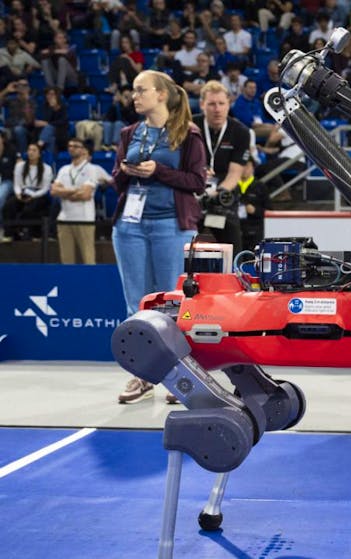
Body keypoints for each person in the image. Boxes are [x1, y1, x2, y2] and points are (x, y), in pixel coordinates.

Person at [112, 70, 207, 404]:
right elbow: (115, 180)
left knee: (172, 304)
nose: (134, 96)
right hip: (130, 226)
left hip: (172, 226)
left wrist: (159, 172)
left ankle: (177, 375)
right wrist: (125, 173)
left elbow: (197, 182)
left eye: (141, 90)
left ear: (162, 95)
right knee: (135, 303)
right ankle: (142, 375)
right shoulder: (129, 133)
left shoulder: (188, 133)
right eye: (133, 91)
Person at [193, 80, 252, 256]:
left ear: (229, 104)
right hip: (192, 193)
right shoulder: (190, 127)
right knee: (183, 246)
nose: (217, 109)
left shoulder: (240, 132)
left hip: (221, 197)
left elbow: (235, 174)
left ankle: (233, 278)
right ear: (202, 104)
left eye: (221, 103)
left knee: (233, 249)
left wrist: (215, 193)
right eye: (211, 104)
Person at [51, 139, 106, 264]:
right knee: (66, 261)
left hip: (84, 219)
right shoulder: (64, 169)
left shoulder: (91, 169)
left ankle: (91, 283)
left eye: (76, 146)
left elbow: (86, 195)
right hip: (64, 219)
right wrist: (75, 191)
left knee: (88, 259)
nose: (71, 148)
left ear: (83, 150)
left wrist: (64, 192)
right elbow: (54, 191)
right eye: (70, 146)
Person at [1, 143, 53, 241]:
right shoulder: (20, 166)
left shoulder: (47, 168)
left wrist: (33, 195)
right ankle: (8, 234)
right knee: (8, 206)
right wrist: (18, 194)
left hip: (38, 194)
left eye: (34, 150)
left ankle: (30, 233)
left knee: (29, 209)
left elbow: (45, 188)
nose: (31, 152)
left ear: (39, 154)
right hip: (22, 192)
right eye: (29, 150)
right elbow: (17, 184)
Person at [237, 158, 267, 251]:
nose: (244, 169)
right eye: (242, 166)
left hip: (255, 230)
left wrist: (255, 210)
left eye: (247, 166)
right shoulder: (231, 185)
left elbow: (269, 211)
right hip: (235, 228)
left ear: (253, 168)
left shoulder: (260, 186)